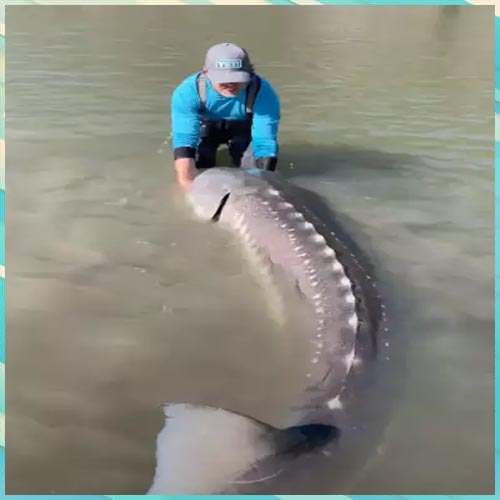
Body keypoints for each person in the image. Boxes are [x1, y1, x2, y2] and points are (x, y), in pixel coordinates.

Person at [170, 43, 281, 192]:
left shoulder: (263, 92)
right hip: (206, 128)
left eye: (237, 78)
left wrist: (266, 185)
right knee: (201, 167)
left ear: (250, 73)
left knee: (251, 173)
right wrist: (186, 184)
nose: (230, 84)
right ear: (206, 73)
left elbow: (265, 141)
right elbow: (185, 141)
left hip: (243, 128)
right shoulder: (187, 92)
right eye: (222, 78)